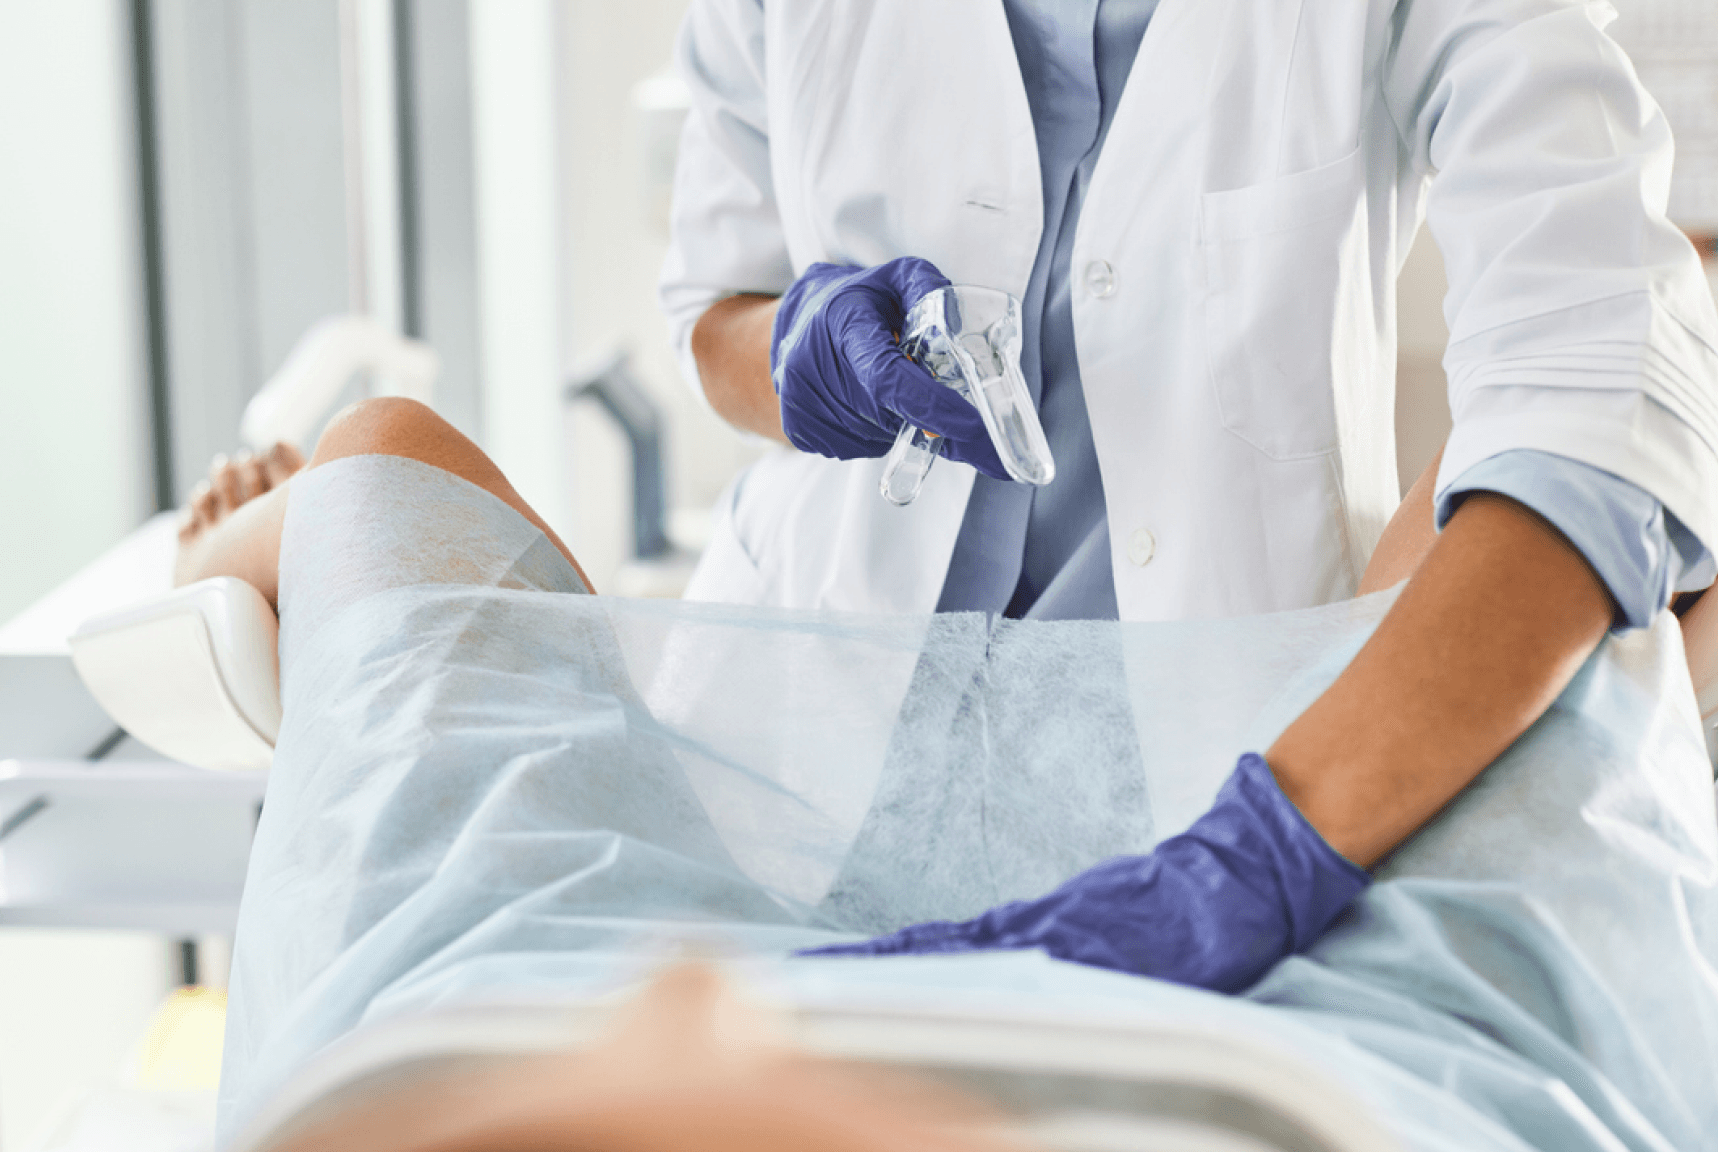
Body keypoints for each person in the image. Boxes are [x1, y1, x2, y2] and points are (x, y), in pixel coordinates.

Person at [181, 401, 1718, 1151]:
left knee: (371, 471)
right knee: (1539, 566)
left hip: (523, 995)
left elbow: (387, 457)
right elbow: (1579, 448)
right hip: (1327, 1065)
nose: (698, 1000)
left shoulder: (480, 1012)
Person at [655, 0, 1718, 956]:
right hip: (795, 757)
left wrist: (1263, 855)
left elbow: (1597, 362)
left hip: (1224, 790)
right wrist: (799, 350)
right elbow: (715, 308)